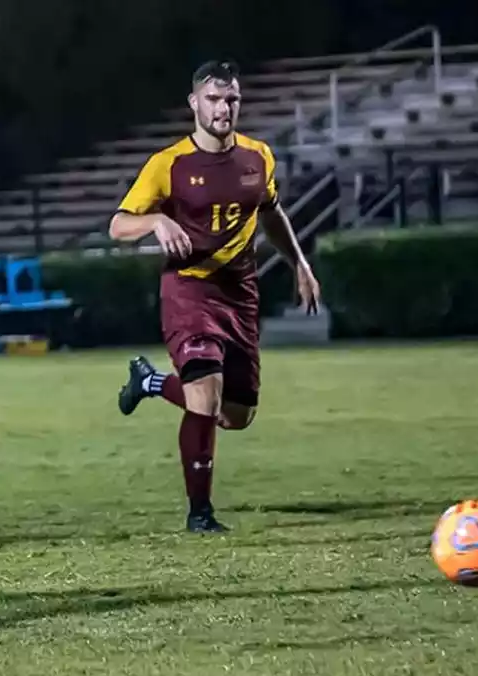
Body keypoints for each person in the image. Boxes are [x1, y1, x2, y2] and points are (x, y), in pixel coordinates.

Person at [108, 60, 321, 533]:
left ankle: (148, 383)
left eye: (231, 99)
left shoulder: (258, 156)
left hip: (239, 292)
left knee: (235, 415)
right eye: (213, 99)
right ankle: (200, 514)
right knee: (205, 397)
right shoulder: (168, 165)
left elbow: (271, 214)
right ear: (194, 104)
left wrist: (299, 264)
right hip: (189, 290)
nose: (223, 108)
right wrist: (156, 221)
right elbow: (118, 225)